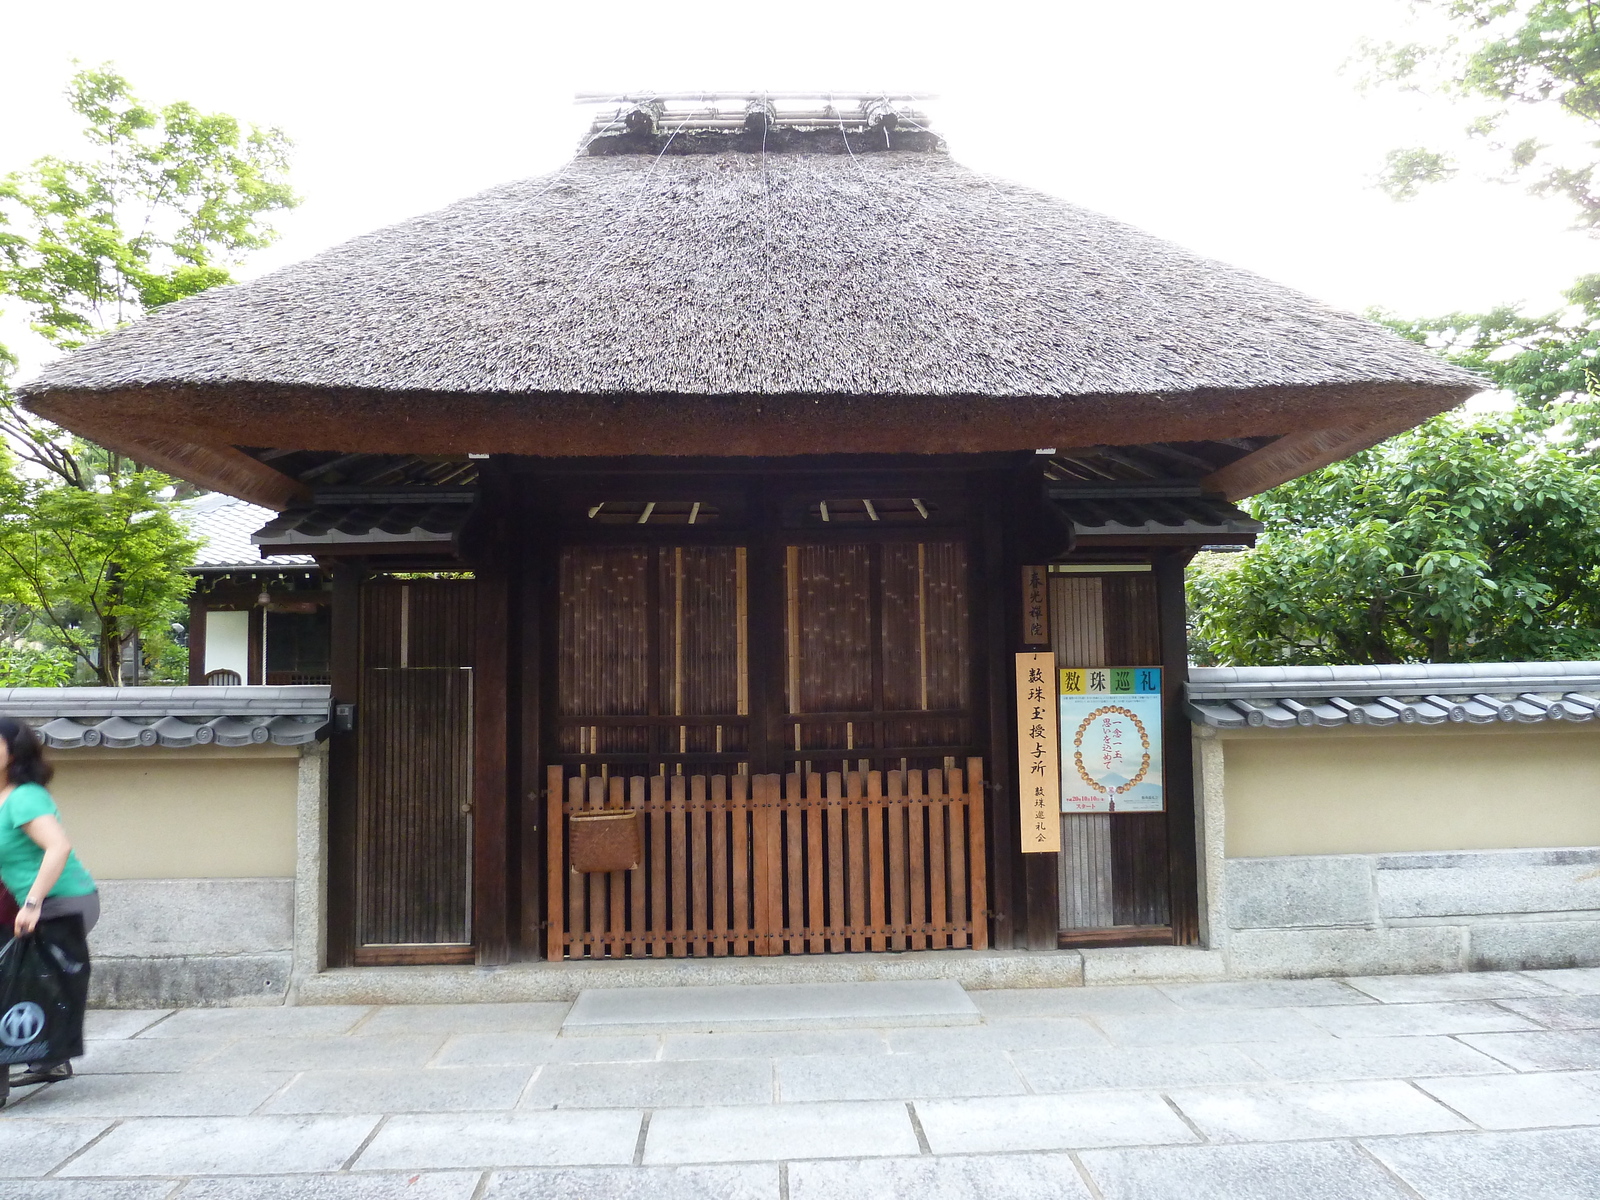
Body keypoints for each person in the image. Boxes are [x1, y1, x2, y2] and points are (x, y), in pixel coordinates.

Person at [0, 717, 97, 1092]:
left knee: (12, 977)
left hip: (63, 901)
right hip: (33, 901)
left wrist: (34, 903)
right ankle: (50, 1059)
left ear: (14, 751)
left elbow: (58, 847)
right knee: (25, 979)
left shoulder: (26, 796)